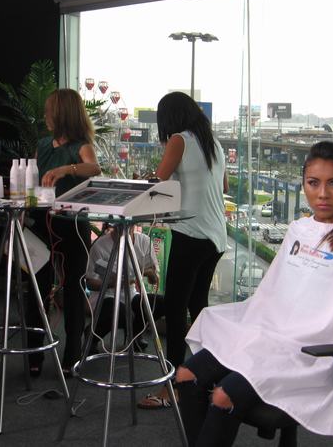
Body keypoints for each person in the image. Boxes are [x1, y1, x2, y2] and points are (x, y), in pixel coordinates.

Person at [175, 141, 333, 445]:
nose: (323, 193)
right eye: (313, 183)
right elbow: (272, 292)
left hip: (307, 350)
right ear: (303, 185)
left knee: (223, 396)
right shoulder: (298, 230)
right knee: (185, 377)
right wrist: (261, 326)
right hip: (268, 334)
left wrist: (287, 336)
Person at [139, 91, 228, 409]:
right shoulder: (212, 143)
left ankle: (172, 389)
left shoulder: (179, 140)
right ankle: (210, 380)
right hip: (215, 237)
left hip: (191, 233)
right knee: (199, 310)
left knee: (176, 313)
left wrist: (145, 180)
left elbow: (158, 182)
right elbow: (223, 186)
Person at [25, 88, 101, 377]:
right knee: (37, 289)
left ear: (62, 115)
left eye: (49, 112)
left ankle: (72, 355)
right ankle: (34, 353)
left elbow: (93, 168)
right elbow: (34, 181)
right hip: (41, 223)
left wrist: (65, 170)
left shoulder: (82, 146)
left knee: (73, 290)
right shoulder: (43, 145)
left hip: (72, 225)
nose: (45, 117)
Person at [85, 225, 165, 353]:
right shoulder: (100, 245)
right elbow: (90, 283)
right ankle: (92, 335)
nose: (125, 228)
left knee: (161, 303)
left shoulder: (144, 241)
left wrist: (148, 272)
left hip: (131, 294)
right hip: (105, 296)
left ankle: (135, 335)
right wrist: (114, 282)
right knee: (122, 312)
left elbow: (154, 280)